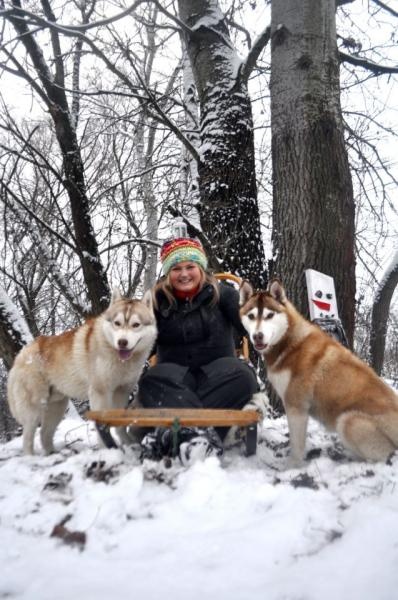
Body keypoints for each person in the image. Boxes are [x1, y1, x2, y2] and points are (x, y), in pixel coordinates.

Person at [138, 236, 259, 464]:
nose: (184, 274)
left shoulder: (223, 294)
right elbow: (141, 347)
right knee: (151, 379)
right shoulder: (156, 302)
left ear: (200, 268)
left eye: (190, 267)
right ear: (167, 273)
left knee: (243, 375)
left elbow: (253, 325)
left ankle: (178, 432)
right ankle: (199, 436)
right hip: (173, 381)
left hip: (218, 378)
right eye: (176, 268)